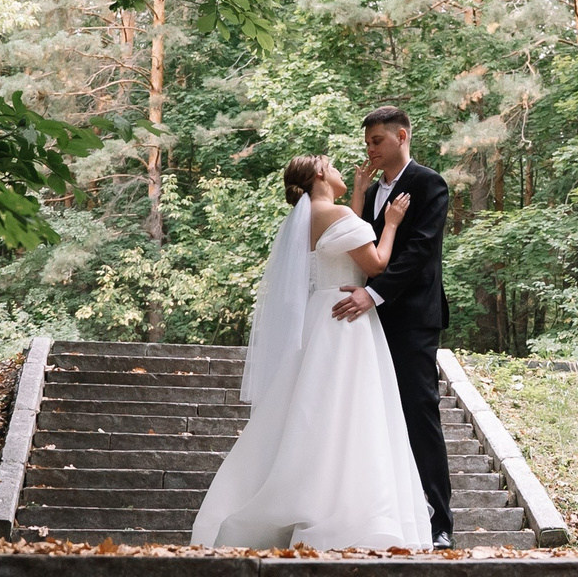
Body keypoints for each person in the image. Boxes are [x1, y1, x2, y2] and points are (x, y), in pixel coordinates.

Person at [188, 155, 432, 550]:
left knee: (317, 407)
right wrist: (390, 224)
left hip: (321, 314)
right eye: (331, 165)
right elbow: (374, 263)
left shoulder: (309, 218)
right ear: (319, 174)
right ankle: (344, 503)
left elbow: (342, 238)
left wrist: (356, 192)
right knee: (351, 409)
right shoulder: (334, 214)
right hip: (347, 321)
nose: (337, 169)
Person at [328, 105, 455, 548]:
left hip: (412, 319)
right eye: (367, 143)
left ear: (402, 136)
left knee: (419, 414)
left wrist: (374, 294)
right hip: (364, 319)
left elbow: (419, 252)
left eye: (377, 141)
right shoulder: (370, 189)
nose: (371, 150)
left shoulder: (429, 184)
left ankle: (439, 523)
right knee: (369, 415)